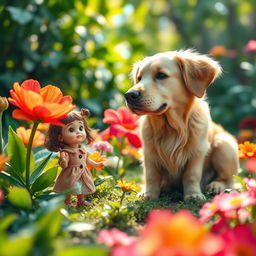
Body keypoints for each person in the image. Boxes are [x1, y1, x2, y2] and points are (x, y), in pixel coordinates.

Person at [45, 108, 104, 207]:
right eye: (71, 130)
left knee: (81, 187)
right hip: (71, 175)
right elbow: (64, 165)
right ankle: (67, 202)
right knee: (71, 188)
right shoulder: (66, 152)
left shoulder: (82, 148)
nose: (78, 132)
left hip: (82, 173)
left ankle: (81, 201)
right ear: (60, 137)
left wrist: (96, 164)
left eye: (81, 128)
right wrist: (63, 160)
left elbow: (86, 160)